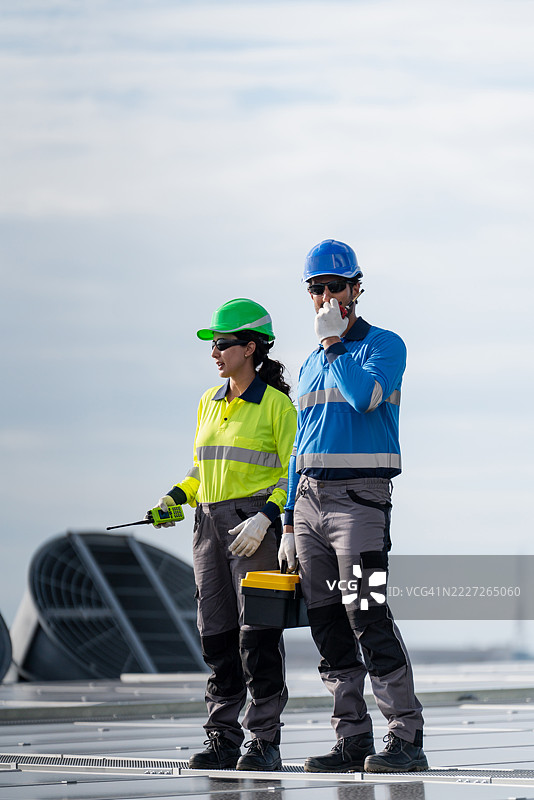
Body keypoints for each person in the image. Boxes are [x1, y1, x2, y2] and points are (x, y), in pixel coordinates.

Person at [278, 239, 428, 774]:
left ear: (356, 290)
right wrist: (289, 520)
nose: (324, 297)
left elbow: (365, 397)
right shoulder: (310, 363)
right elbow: (301, 443)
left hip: (360, 503)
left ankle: (407, 737)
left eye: (334, 287)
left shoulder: (383, 346)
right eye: (315, 288)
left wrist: (337, 346)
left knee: (367, 615)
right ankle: (353, 740)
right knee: (327, 626)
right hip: (312, 507)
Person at [149, 298, 297, 772]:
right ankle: (222, 737)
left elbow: (293, 474)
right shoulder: (207, 403)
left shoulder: (276, 406)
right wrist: (174, 497)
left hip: (254, 526)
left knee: (257, 637)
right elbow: (201, 471)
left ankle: (264, 740)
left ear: (249, 347)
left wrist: (268, 518)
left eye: (222, 343)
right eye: (213, 344)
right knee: (216, 637)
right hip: (208, 526)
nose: (214, 352)